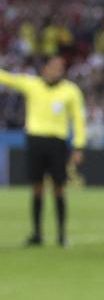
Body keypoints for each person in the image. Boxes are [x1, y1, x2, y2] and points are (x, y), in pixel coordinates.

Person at [0, 56, 85, 247]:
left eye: (60, 67)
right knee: (37, 187)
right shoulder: (32, 85)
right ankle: (37, 234)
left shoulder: (70, 91)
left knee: (59, 187)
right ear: (44, 69)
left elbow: (78, 118)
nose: (57, 70)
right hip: (35, 140)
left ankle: (62, 235)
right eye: (53, 66)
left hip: (57, 141)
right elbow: (7, 78)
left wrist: (79, 145)